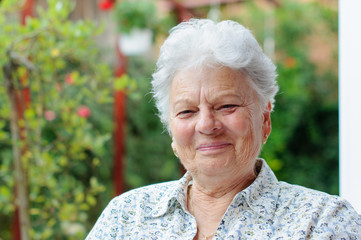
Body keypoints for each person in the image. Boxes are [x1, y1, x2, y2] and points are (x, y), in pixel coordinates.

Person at [86, 19, 360, 239]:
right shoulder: (125, 218)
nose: (206, 125)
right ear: (171, 131)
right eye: (187, 111)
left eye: (227, 106)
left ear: (265, 119)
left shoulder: (323, 223)